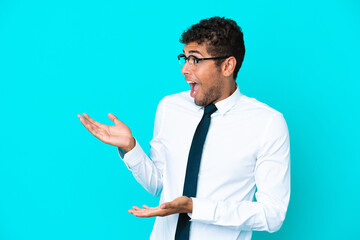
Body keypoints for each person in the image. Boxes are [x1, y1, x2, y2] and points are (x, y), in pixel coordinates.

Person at [78, 16, 290, 240]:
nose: (184, 70)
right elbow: (159, 184)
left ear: (227, 66)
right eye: (185, 58)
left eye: (195, 60)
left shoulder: (267, 123)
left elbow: (272, 215)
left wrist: (194, 207)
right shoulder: (170, 107)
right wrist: (131, 148)